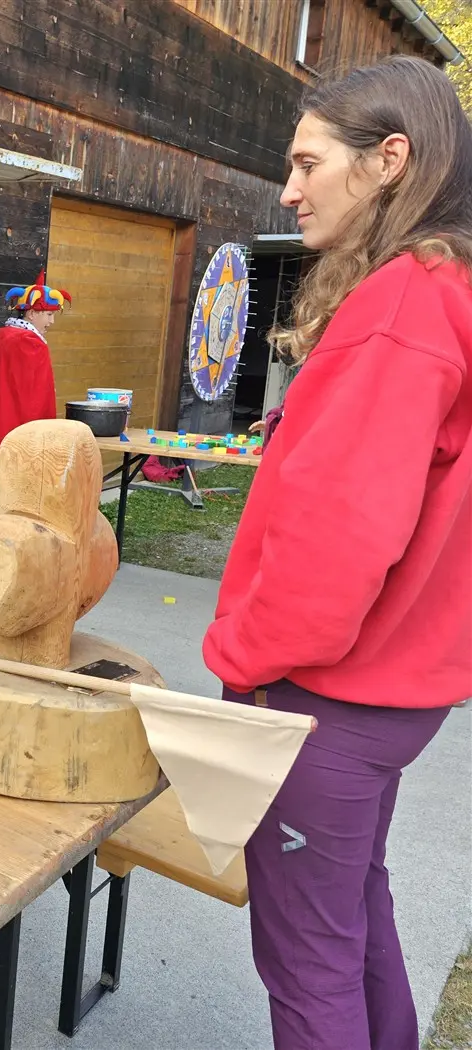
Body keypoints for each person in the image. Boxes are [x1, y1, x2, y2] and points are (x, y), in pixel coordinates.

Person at [202, 57, 471, 1050]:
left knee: (305, 963)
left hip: (329, 696)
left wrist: (238, 656)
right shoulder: (450, 292)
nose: (287, 189)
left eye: (306, 162)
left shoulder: (401, 307)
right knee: (353, 916)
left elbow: (335, 545)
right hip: (397, 692)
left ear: (388, 160)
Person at [0, 272, 71, 515]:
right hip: (20, 432)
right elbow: (37, 396)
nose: (51, 322)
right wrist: (44, 435)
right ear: (31, 313)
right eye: (48, 314)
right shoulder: (31, 343)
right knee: (19, 492)